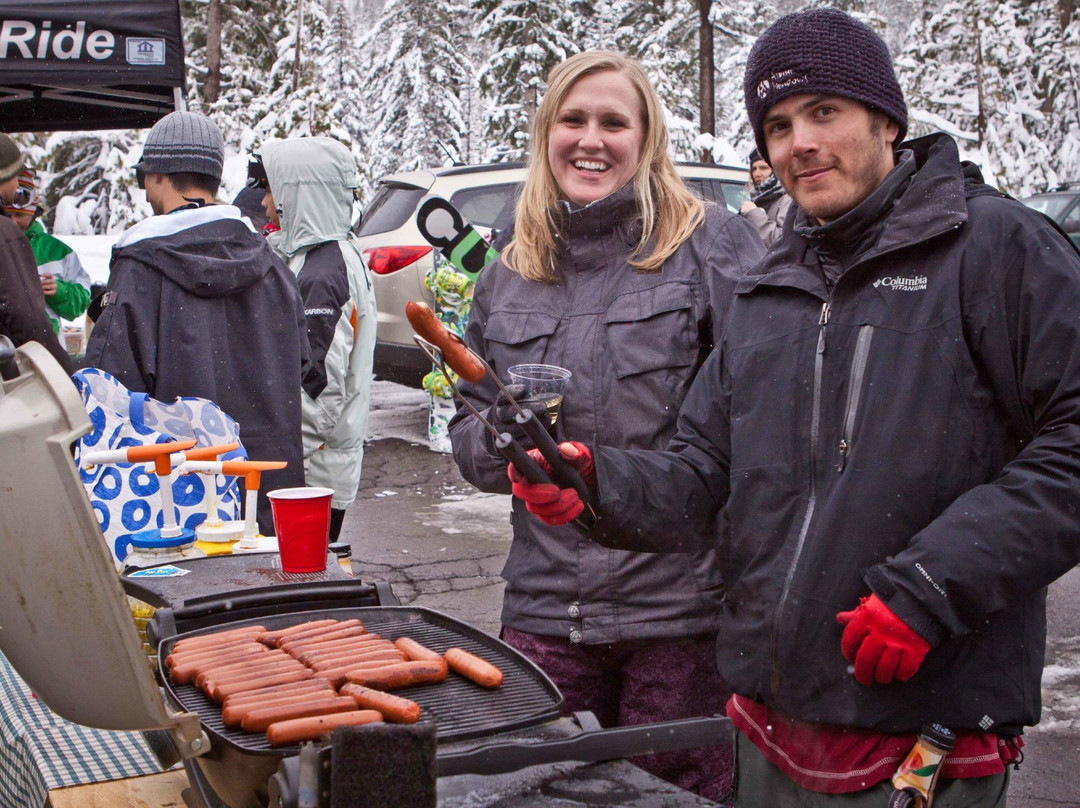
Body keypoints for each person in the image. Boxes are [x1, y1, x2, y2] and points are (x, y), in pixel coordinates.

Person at [509, 9, 1080, 807]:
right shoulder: (772, 283)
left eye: (823, 112)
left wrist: (931, 585)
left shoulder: (995, 250)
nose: (798, 143)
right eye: (777, 125)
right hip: (771, 721)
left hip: (927, 733)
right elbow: (703, 470)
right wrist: (597, 487)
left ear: (885, 119)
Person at [448, 50, 764, 801]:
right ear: (545, 133)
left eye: (614, 122)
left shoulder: (709, 247)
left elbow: (761, 422)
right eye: (574, 119)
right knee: (534, 793)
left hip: (681, 618)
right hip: (545, 610)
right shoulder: (508, 270)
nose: (591, 139)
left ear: (646, 139)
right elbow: (465, 433)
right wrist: (502, 444)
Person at [84, 111, 309, 535]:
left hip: (180, 504)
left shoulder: (139, 271)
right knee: (263, 595)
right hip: (265, 491)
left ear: (154, 176)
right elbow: (302, 365)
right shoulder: (272, 266)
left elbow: (107, 392)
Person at [254, 137, 376, 542]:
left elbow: (318, 388)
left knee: (298, 585)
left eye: (272, 191)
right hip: (320, 465)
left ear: (297, 196)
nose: (265, 204)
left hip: (311, 473)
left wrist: (280, 463)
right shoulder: (325, 256)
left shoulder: (324, 273)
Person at [0, 134, 73, 374]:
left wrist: (61, 291)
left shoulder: (57, 250)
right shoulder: (5, 235)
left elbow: (80, 295)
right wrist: (62, 375)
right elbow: (25, 316)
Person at [6, 169, 92, 335]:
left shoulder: (57, 252)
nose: (13, 222)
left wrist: (59, 291)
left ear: (33, 211)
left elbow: (82, 300)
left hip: (47, 352)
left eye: (18, 215)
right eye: (7, 215)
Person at [739, 148, 791, 245]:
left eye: (763, 168)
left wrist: (754, 214)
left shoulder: (787, 199)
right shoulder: (755, 197)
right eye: (754, 169)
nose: (757, 174)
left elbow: (784, 241)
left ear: (775, 171)